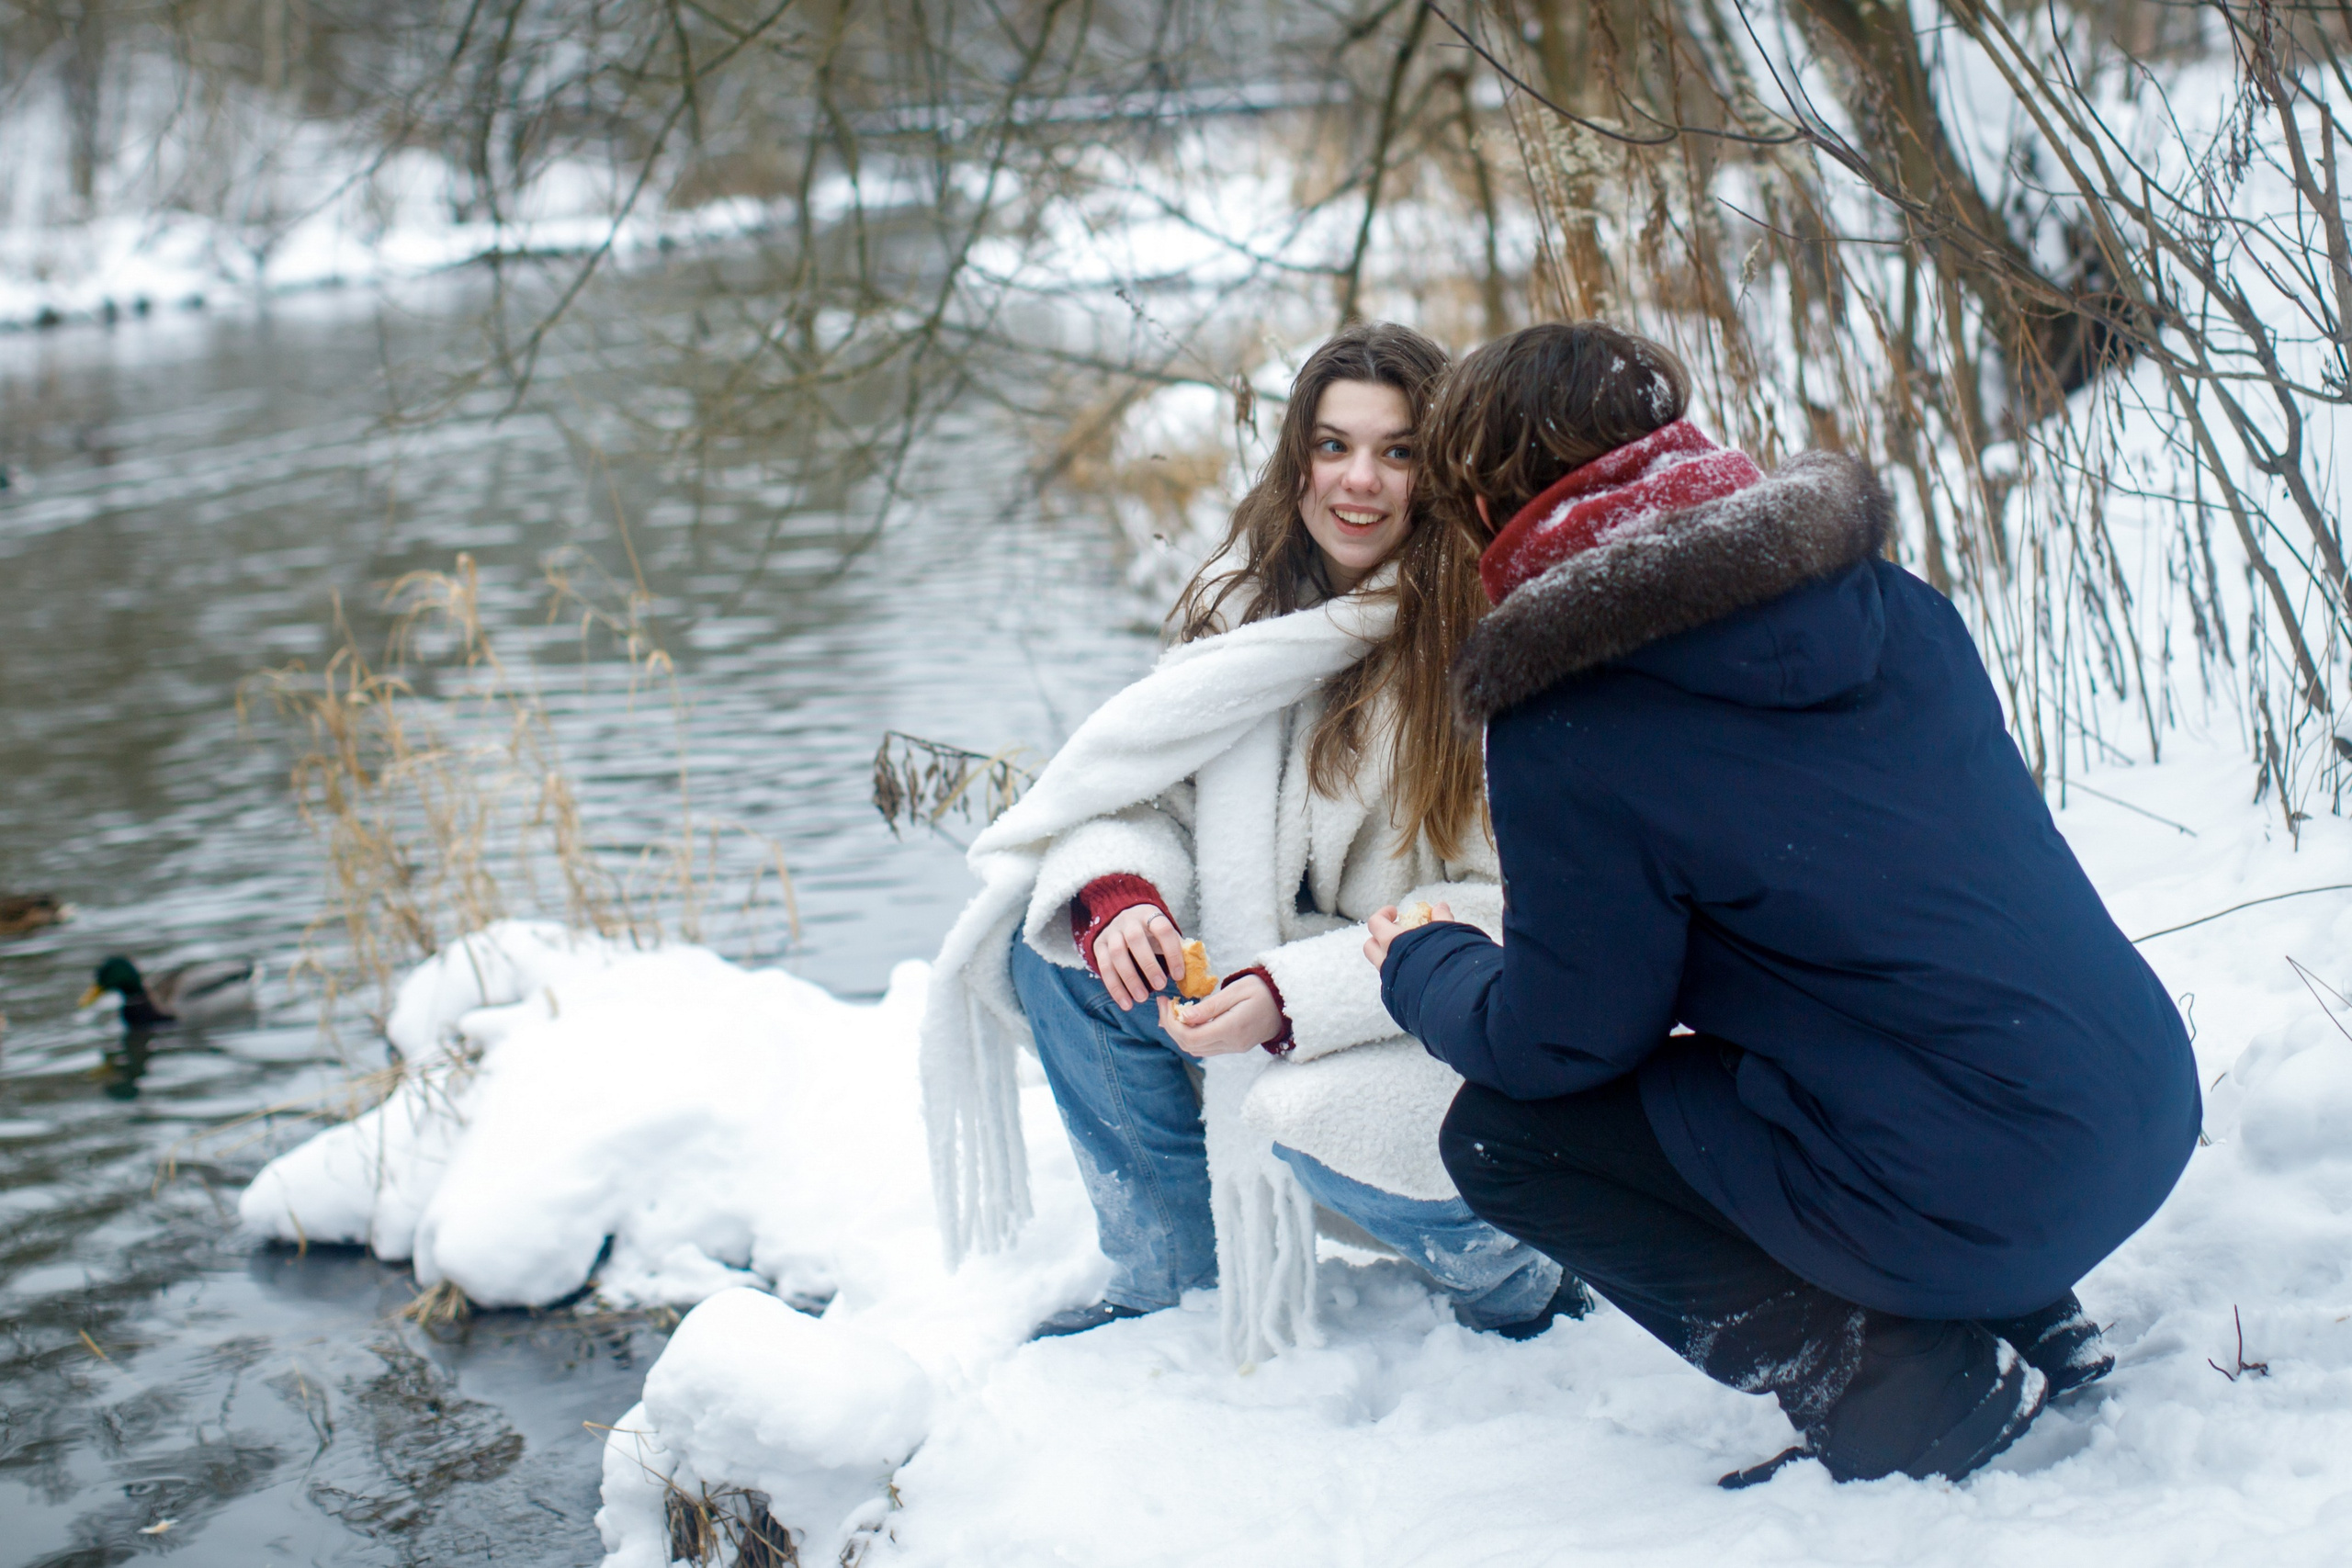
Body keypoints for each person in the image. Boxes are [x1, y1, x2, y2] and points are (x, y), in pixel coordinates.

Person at [1368, 321, 2200, 1485]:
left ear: (1481, 500)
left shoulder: (1571, 718)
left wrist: (1426, 962)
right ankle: (2027, 1311)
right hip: (2136, 1111)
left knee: (1506, 1139)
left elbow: (1562, 1041)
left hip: (1975, 1189)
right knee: (1842, 1027)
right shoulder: (1889, 602)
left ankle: (1905, 1390)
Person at [920, 323, 1589, 1354]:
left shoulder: (1489, 641)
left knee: (1323, 1107)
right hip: (1268, 971)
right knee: (1053, 948)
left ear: (1442, 468)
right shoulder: (1244, 611)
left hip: (1429, 1014)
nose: (1359, 481)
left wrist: (1291, 996)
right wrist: (1123, 900)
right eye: (1333, 446)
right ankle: (1167, 1274)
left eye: (1398, 451)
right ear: (1296, 459)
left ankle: (1521, 1281)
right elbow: (1148, 798)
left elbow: (1515, 915)